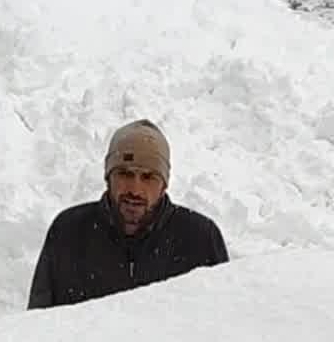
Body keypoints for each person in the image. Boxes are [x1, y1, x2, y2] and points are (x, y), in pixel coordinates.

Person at [27, 120, 228, 309]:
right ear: (108, 177)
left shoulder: (200, 238)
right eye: (124, 174)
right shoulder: (70, 231)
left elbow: (223, 326)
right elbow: (37, 327)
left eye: (148, 177)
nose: (135, 189)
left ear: (164, 185)